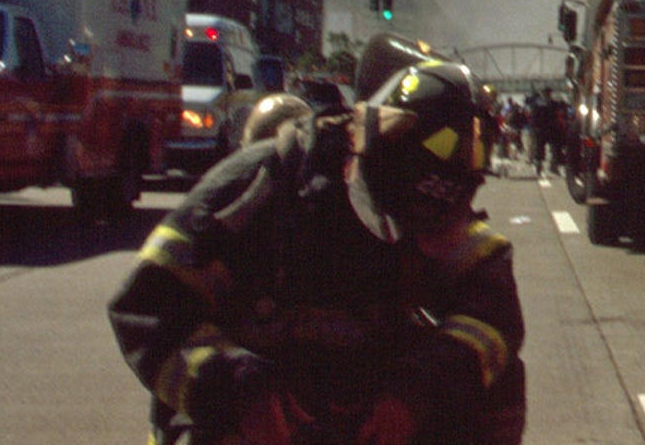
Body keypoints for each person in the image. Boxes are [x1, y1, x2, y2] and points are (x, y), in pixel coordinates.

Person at [108, 57, 525, 445]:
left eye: (432, 225)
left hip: (369, 413)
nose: (413, 240)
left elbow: (490, 320)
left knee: (500, 382)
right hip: (251, 410)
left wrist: (414, 396)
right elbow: (143, 307)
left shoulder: (442, 217)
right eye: (397, 218)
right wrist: (240, 394)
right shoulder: (258, 189)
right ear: (365, 152)